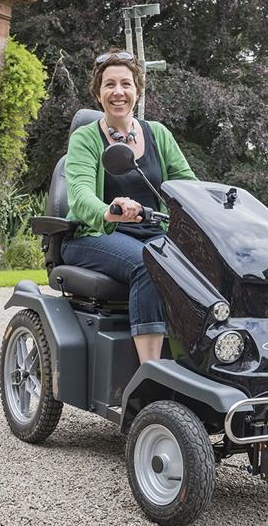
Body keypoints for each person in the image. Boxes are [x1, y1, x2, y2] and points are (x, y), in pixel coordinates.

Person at [61, 49, 198, 364]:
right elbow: (80, 194)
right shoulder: (86, 138)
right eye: (109, 85)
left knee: (205, 268)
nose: (118, 92)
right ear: (98, 93)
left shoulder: (158, 134)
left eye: (126, 84)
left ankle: (201, 363)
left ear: (138, 91)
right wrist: (108, 210)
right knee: (150, 264)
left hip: (151, 231)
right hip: (93, 234)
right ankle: (151, 372)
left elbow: (187, 185)